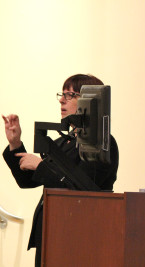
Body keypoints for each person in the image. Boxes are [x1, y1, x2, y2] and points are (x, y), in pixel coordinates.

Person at [2, 74, 119, 267]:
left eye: (70, 95)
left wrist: (41, 166)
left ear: (90, 101)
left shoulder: (101, 144)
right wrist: (15, 144)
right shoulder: (64, 142)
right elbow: (27, 181)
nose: (61, 100)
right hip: (50, 233)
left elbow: (83, 190)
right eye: (62, 94)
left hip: (79, 237)